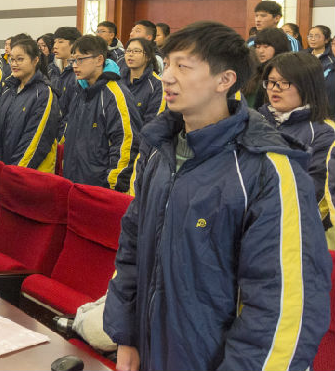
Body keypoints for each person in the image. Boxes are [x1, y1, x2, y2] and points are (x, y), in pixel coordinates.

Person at [104, 21, 331, 371]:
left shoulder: (268, 169)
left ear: (224, 80)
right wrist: (127, 335)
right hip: (153, 351)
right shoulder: (160, 153)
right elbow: (132, 251)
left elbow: (284, 305)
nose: (167, 77)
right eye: (168, 64)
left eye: (183, 66)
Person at [259, 52, 335, 238]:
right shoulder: (256, 121)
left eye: (284, 82)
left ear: (307, 85)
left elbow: (316, 193)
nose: (274, 89)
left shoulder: (324, 132)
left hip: (292, 230)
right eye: (271, 82)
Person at [61, 35, 141, 192]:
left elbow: (127, 144)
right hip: (74, 181)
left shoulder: (115, 94)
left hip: (101, 188)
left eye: (80, 60)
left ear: (99, 60)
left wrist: (113, 186)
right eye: (73, 60)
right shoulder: (80, 90)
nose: (75, 66)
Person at [0, 38, 59, 172]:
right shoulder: (8, 90)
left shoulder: (44, 93)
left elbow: (35, 141)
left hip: (28, 175)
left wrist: (14, 173)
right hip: (4, 171)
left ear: (35, 60)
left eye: (20, 59)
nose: (14, 64)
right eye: (12, 59)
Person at [243, 27, 290, 109]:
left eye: (266, 46)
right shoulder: (254, 71)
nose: (261, 51)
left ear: (278, 47)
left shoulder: (287, 72)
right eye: (258, 47)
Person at [123, 37, 166, 124]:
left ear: (148, 57)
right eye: (128, 51)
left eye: (136, 51)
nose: (130, 54)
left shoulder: (157, 85)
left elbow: (154, 122)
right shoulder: (118, 80)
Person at [52, 26, 82, 116]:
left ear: (74, 44)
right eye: (55, 42)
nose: (55, 46)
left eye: (60, 42)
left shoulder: (79, 71)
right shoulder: (51, 69)